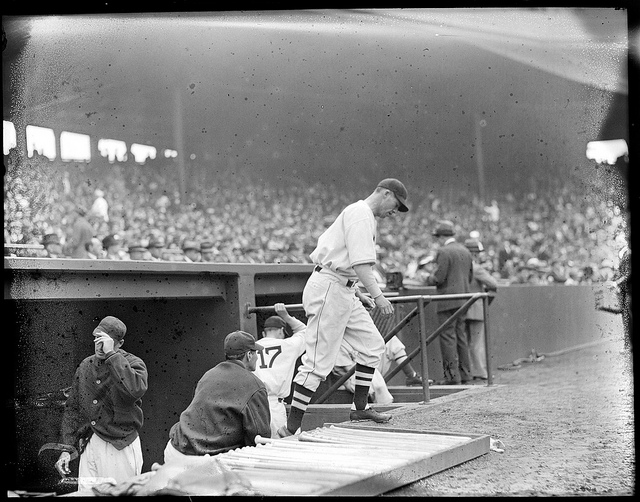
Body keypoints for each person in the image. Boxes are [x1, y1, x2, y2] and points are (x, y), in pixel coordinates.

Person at [277, 178, 409, 438]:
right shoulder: (360, 213)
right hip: (329, 289)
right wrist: (378, 296)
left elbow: (347, 265)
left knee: (373, 345)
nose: (395, 211)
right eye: (396, 204)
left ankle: (360, 409)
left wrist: (358, 292)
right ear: (384, 193)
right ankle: (290, 428)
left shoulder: (363, 215)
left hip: (343, 288)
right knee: (317, 363)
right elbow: (360, 264)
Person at [55, 316, 148, 492]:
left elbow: (133, 391)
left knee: (120, 495)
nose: (99, 345)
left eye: (105, 341)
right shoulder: (85, 365)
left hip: (120, 445)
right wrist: (66, 448)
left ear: (119, 343)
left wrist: (111, 354)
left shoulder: (133, 363)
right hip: (90, 443)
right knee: (86, 495)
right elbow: (73, 408)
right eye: (97, 338)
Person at [164, 330, 271, 464]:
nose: (257, 357)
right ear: (249, 355)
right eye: (256, 353)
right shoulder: (254, 385)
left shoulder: (209, 374)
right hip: (205, 460)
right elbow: (260, 439)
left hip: (175, 449)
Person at [426, 220, 474, 385]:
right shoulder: (465, 251)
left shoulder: (443, 251)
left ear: (441, 237)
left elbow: (438, 278)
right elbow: (470, 277)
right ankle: (466, 375)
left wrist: (427, 278)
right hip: (464, 300)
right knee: (461, 337)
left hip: (447, 300)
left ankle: (452, 377)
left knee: (447, 338)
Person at [253, 303, 306, 437]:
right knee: (284, 444)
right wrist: (286, 316)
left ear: (263, 333)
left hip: (254, 406)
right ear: (281, 331)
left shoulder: (251, 348)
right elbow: (305, 331)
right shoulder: (287, 345)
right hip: (275, 406)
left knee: (257, 445)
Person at [464, 238, 498, 382]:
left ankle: (471, 371)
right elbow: (493, 283)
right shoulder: (476, 268)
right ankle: (480, 371)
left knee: (466, 342)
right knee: (476, 343)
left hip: (463, 308)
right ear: (475, 254)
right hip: (476, 308)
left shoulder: (461, 267)